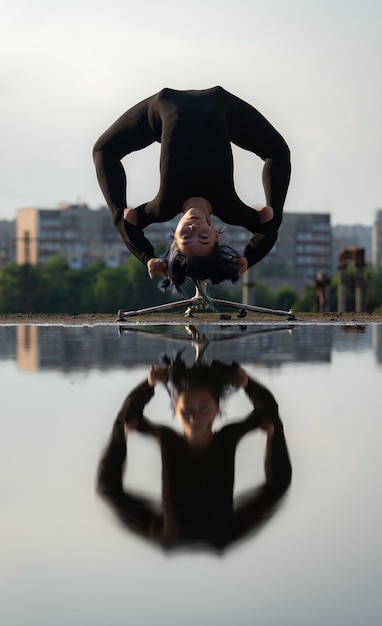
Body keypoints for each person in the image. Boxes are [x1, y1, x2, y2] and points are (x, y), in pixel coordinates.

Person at [93, 86, 291, 293]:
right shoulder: (231, 208)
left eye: (185, 237)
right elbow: (269, 226)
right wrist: (249, 258)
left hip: (162, 108)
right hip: (223, 107)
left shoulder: (161, 207)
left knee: (102, 148)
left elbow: (125, 221)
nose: (194, 230)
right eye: (204, 238)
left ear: (173, 241)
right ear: (215, 235)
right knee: (279, 150)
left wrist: (147, 257)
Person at [96, 357, 292, 551]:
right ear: (176, 408)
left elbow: (108, 484)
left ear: (217, 409)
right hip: (217, 536)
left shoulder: (169, 439)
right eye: (186, 409)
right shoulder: (224, 437)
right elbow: (270, 417)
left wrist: (148, 387)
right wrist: (247, 384)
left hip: (177, 537)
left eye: (204, 408)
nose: (194, 416)